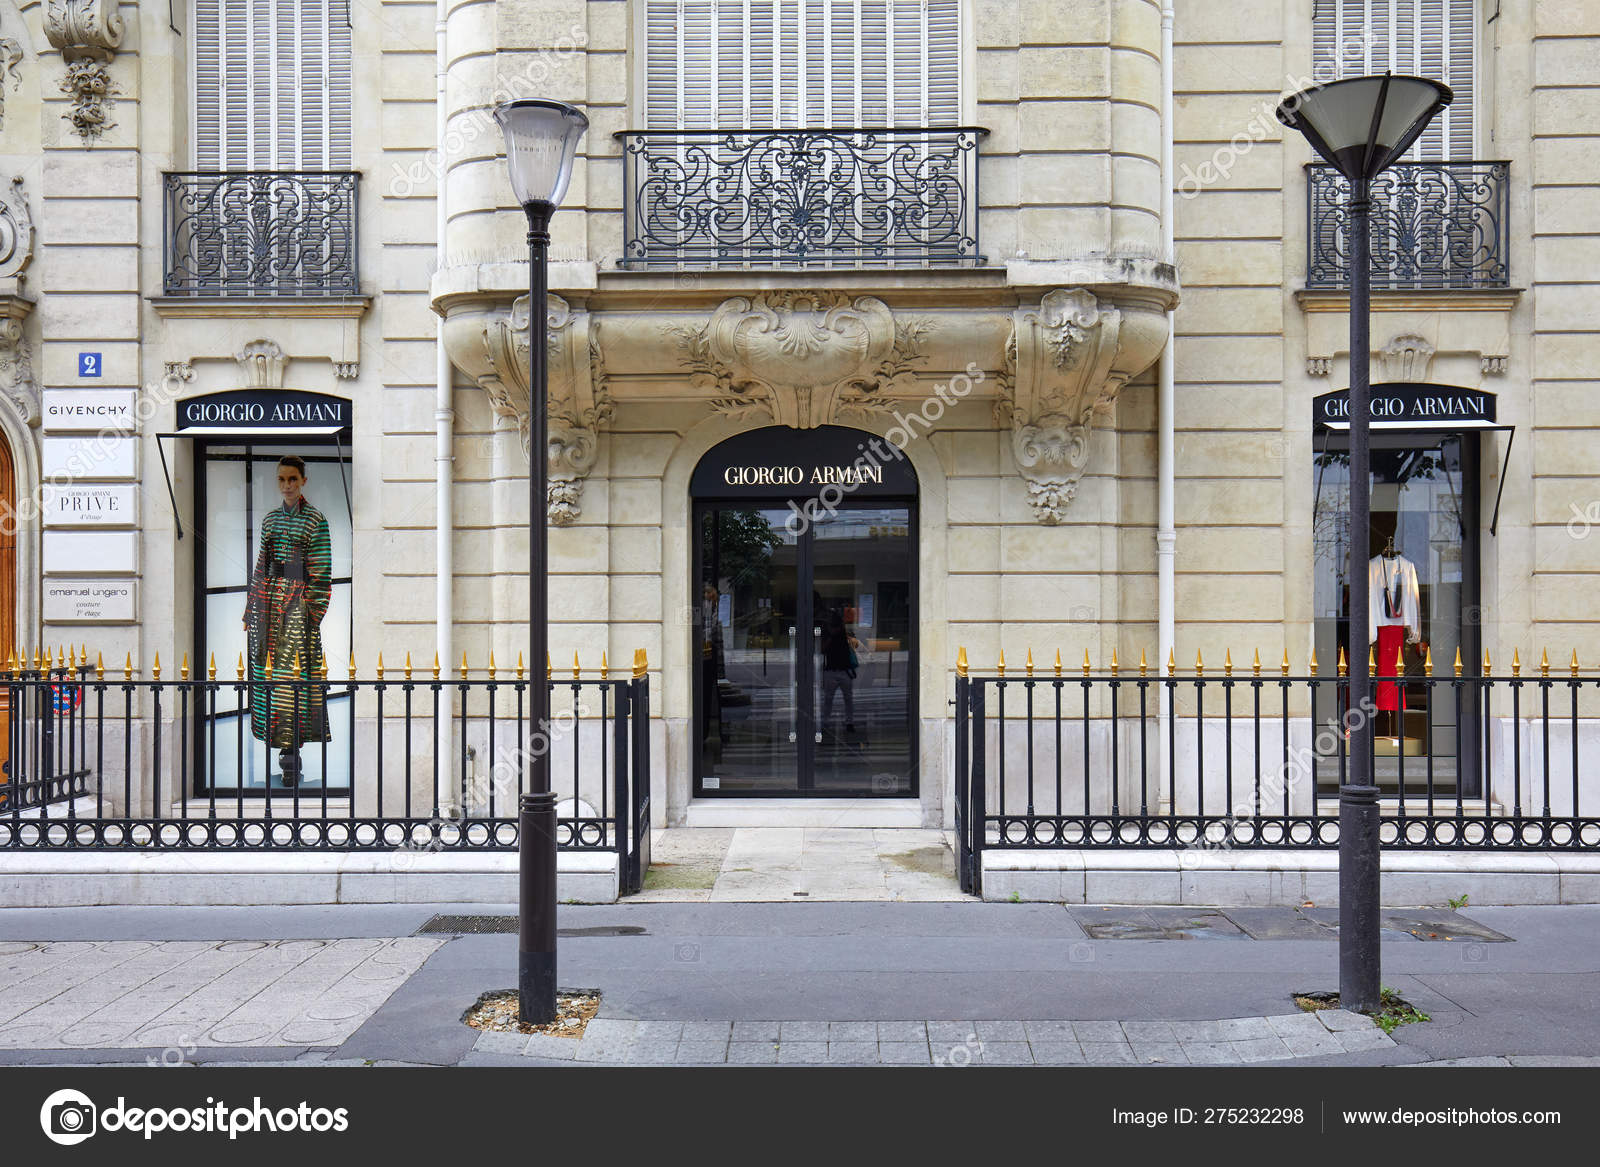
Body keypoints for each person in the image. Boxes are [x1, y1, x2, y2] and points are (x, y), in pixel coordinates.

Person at [243, 455, 332, 785]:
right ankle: (279, 749)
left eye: (293, 479)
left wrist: (310, 612)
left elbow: (322, 572)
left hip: (297, 606)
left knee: (293, 676)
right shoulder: (269, 520)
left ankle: (293, 753)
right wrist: (251, 606)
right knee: (268, 675)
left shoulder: (315, 520)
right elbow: (262, 564)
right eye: (281, 480)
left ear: (303, 481)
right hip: (267, 604)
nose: (287, 485)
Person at [819, 608, 862, 734]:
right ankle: (826, 722)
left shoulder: (844, 633)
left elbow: (853, 643)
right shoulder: (827, 633)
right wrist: (831, 635)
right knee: (829, 698)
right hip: (832, 670)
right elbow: (823, 649)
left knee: (846, 698)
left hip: (843, 670)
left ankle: (848, 722)